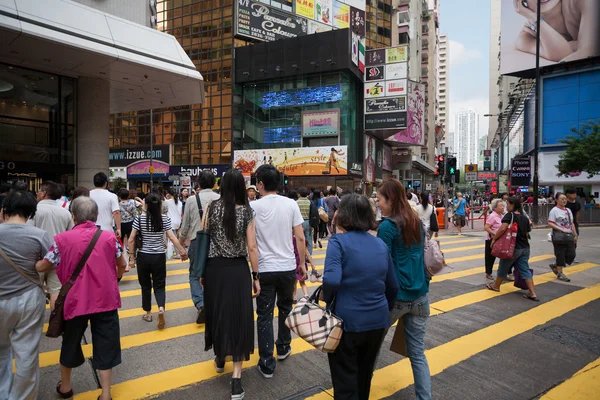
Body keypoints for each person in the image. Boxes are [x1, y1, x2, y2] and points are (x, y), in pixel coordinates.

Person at [35, 196, 127, 400]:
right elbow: (122, 264)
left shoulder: (61, 239)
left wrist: (32, 265)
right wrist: (115, 277)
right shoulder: (109, 238)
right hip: (106, 302)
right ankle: (105, 394)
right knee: (106, 344)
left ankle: (66, 387)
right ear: (95, 217)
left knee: (70, 341)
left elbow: (44, 265)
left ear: (73, 216)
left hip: (74, 302)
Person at [323, 193, 398, 400]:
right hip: (377, 320)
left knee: (345, 379)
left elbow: (331, 280)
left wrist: (326, 301)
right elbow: (392, 286)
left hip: (347, 322)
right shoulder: (380, 245)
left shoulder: (338, 243)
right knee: (364, 376)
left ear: (343, 215)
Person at [203, 170, 260, 400]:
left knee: (217, 313)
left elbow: (204, 238)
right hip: (238, 271)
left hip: (214, 269)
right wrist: (256, 275)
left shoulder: (211, 208)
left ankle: (219, 357)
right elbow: (252, 247)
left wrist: (201, 270)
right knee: (238, 317)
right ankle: (236, 379)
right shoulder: (247, 211)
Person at [376, 179, 432, 400]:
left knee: (371, 349)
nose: (377, 204)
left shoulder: (388, 227)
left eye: (379, 199)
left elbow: (382, 266)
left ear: (390, 199)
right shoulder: (416, 221)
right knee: (418, 355)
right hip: (420, 298)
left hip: (395, 299)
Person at [250, 164, 306, 379]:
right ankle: (283, 347)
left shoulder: (253, 206)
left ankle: (266, 363)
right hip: (287, 268)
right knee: (285, 308)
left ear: (261, 184)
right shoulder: (291, 204)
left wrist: (254, 272)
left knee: (264, 314)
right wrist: (300, 263)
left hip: (264, 269)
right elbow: (300, 237)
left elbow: (252, 243)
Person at [0, 190, 52, 400]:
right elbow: (52, 260)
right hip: (29, 298)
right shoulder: (39, 235)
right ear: (31, 213)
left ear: (5, 210)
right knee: (26, 352)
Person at [129, 193, 187, 329]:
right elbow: (172, 238)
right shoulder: (165, 219)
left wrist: (132, 257)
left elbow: (131, 239)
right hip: (159, 256)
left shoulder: (139, 219)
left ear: (146, 205)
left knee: (145, 285)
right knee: (159, 285)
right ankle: (161, 308)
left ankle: (148, 313)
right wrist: (182, 251)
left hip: (143, 256)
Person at [179, 170, 220, 324]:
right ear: (214, 183)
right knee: (214, 274)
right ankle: (214, 304)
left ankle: (201, 304)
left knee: (195, 275)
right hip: (217, 242)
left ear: (198, 183)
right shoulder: (221, 198)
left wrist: (181, 246)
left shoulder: (191, 200)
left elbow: (185, 226)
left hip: (197, 241)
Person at [29, 181, 73, 309]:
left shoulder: (34, 211)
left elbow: (28, 233)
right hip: (58, 257)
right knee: (56, 291)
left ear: (43, 194)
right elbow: (70, 235)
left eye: (39, 191)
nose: (37, 193)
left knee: (34, 289)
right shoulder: (65, 212)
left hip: (37, 259)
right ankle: (55, 323)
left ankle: (34, 321)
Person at [512, 0, 600, 63]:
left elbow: (590, 50)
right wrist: (534, 18)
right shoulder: (526, 36)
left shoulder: (585, 1)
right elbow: (564, 54)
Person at [486, 197, 539, 301]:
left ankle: (496, 286)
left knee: (503, 267)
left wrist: (494, 239)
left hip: (513, 247)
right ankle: (532, 292)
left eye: (508, 204)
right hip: (525, 248)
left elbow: (502, 229)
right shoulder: (524, 217)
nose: (507, 207)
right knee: (525, 269)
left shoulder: (510, 216)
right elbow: (527, 233)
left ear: (513, 205)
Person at [548, 192, 577, 282]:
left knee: (572, 254)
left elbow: (571, 223)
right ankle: (560, 273)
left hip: (569, 236)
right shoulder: (554, 210)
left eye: (565, 199)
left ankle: (556, 265)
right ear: (557, 200)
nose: (564, 200)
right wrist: (562, 229)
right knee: (560, 254)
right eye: (562, 199)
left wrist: (575, 234)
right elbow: (550, 223)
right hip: (558, 236)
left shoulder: (568, 210)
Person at [90, 172, 121, 237]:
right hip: (107, 230)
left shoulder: (87, 194)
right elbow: (116, 213)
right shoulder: (112, 196)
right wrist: (118, 228)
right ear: (106, 183)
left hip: (90, 229)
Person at [483, 199, 505, 280]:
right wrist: (495, 235)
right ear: (495, 207)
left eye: (503, 206)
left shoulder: (502, 216)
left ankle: (506, 272)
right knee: (490, 257)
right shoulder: (492, 216)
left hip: (500, 239)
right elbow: (486, 227)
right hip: (491, 239)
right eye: (501, 206)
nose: (503, 207)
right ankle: (488, 273)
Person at [118, 188, 137, 258]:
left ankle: (120, 255)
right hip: (130, 223)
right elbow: (134, 214)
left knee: (120, 240)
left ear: (119, 196)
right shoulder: (132, 204)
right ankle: (133, 255)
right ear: (128, 195)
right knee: (131, 239)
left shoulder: (118, 205)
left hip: (121, 224)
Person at [296, 187, 314, 255]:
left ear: (299, 194)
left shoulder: (296, 203)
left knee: (299, 239)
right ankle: (309, 255)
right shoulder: (310, 202)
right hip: (308, 222)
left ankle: (300, 254)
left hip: (298, 223)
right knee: (309, 239)